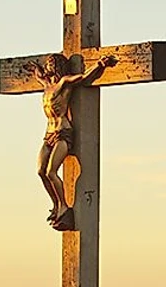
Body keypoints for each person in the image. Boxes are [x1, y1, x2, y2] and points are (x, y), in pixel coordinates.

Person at [34, 53, 118, 230]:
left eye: (51, 64)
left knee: (51, 172)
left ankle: (64, 206)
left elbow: (83, 77)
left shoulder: (64, 82)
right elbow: (38, 76)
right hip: (48, 134)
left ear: (57, 67)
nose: (48, 67)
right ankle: (56, 205)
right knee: (40, 171)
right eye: (47, 65)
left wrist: (99, 65)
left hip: (62, 132)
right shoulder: (46, 86)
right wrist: (34, 69)